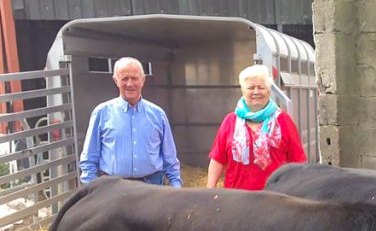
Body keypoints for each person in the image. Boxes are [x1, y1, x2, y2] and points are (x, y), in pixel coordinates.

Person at [79, 56, 182, 187]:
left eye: (134, 78)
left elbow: (170, 159)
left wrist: (176, 186)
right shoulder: (101, 113)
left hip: (152, 189)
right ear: (116, 81)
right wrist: (91, 190)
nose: (129, 84)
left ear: (143, 80)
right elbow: (88, 159)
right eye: (124, 78)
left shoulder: (158, 115)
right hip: (113, 189)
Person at [207, 64, 307, 190]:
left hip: (275, 197)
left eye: (261, 87)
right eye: (250, 88)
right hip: (236, 197)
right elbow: (217, 160)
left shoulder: (283, 121)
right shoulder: (230, 121)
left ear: (268, 91)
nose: (256, 92)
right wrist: (209, 192)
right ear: (243, 92)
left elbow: (299, 163)